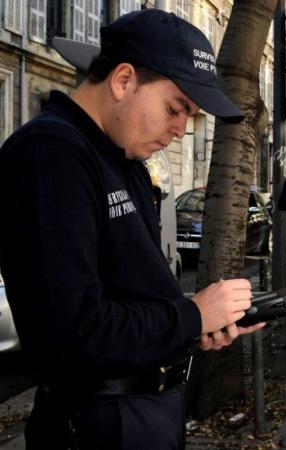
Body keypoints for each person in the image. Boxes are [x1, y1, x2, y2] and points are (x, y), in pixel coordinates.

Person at [0, 9, 264, 450]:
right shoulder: (49, 156)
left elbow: (129, 295)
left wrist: (194, 320)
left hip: (143, 412)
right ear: (123, 80)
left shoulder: (123, 160)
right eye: (175, 108)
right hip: (95, 425)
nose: (181, 129)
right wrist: (190, 315)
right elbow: (74, 331)